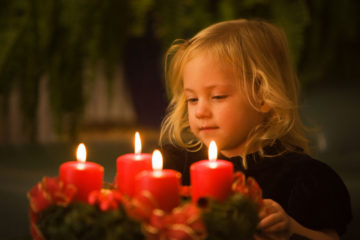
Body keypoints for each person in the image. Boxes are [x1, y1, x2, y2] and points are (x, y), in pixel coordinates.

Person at [159, 19, 352, 240]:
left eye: (217, 96)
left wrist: (291, 228)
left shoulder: (301, 178)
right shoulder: (174, 169)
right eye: (192, 99)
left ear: (263, 96)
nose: (200, 111)